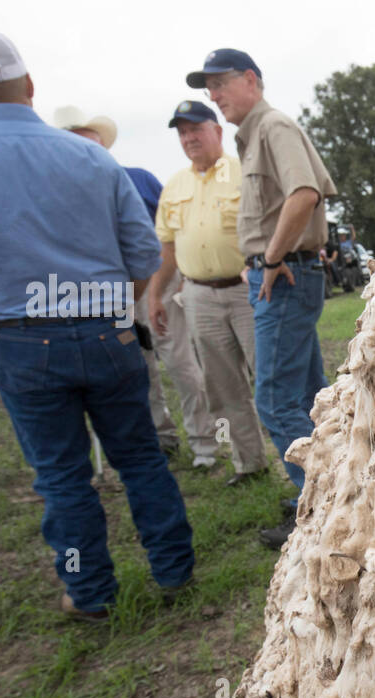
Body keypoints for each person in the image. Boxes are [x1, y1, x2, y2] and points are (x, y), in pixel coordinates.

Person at [0, 29, 193, 620]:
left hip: (20, 337)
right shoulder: (92, 155)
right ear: (30, 85)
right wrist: (113, 306)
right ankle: (174, 567)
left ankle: (88, 590)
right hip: (106, 330)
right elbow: (142, 256)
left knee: (62, 477)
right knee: (139, 457)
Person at [186, 48, 338, 548]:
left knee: (273, 400)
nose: (214, 96)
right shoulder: (255, 134)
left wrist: (271, 260)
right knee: (311, 396)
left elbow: (304, 194)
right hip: (285, 274)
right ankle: (335, 493)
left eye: (222, 84)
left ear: (251, 79)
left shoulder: (272, 127)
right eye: (208, 88)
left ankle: (318, 508)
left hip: (283, 276)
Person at [53, 105, 218, 469]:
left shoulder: (139, 179)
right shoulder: (62, 198)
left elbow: (175, 232)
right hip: (109, 295)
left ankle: (205, 442)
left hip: (156, 281)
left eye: (92, 143)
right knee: (137, 365)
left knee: (179, 360)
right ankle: (162, 436)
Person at [149, 100, 266, 486]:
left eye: (195, 129)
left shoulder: (244, 170)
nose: (189, 138)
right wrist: (154, 296)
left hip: (246, 292)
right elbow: (167, 248)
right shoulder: (174, 186)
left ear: (216, 130)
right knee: (221, 386)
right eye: (182, 132)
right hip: (197, 296)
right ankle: (248, 464)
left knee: (269, 378)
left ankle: (306, 461)